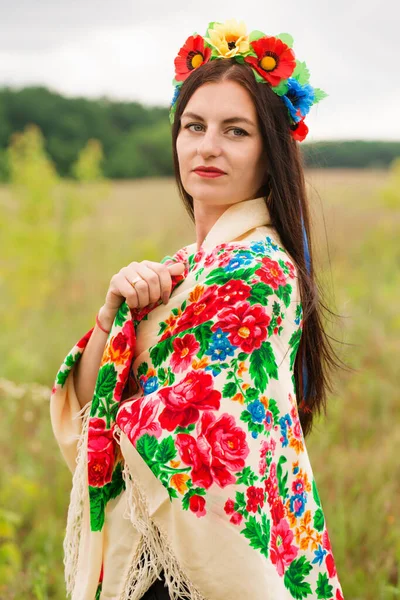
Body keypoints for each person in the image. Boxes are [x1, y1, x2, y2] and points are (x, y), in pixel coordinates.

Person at [50, 18, 345, 600]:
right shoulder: (185, 264)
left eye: (235, 131)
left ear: (271, 153)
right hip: (156, 542)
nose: (207, 145)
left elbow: (201, 433)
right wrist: (112, 317)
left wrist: (122, 385)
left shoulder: (263, 270)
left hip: (200, 561)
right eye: (194, 126)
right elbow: (88, 402)